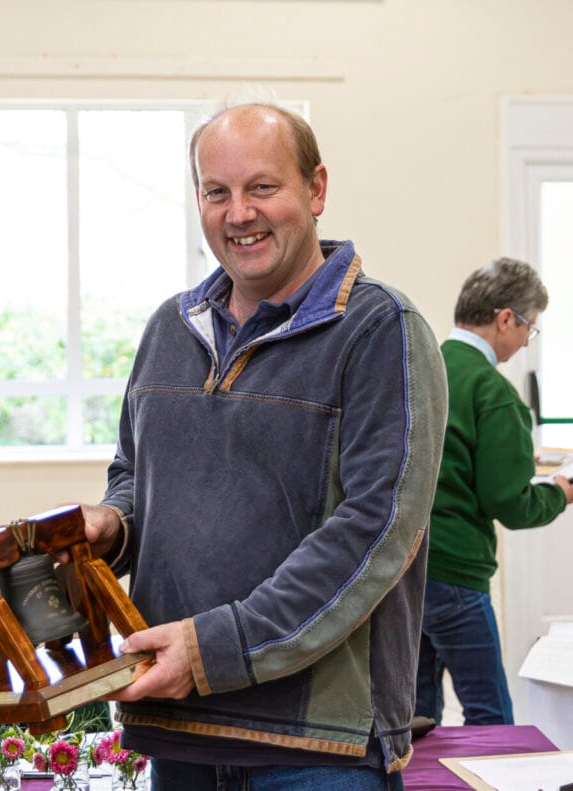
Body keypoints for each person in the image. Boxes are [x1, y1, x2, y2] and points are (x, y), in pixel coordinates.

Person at [74, 104, 447, 790]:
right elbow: (135, 475)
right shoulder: (169, 327)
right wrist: (112, 525)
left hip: (314, 749)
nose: (239, 212)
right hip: (178, 725)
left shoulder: (378, 331)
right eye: (217, 192)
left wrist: (214, 647)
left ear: (316, 189)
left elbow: (375, 533)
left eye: (262, 187)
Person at [415, 258, 573, 726]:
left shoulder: (424, 366)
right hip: (457, 575)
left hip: (405, 569)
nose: (526, 341)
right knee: (492, 719)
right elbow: (510, 502)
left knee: (417, 718)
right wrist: (561, 494)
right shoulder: (493, 392)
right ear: (506, 318)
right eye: (530, 328)